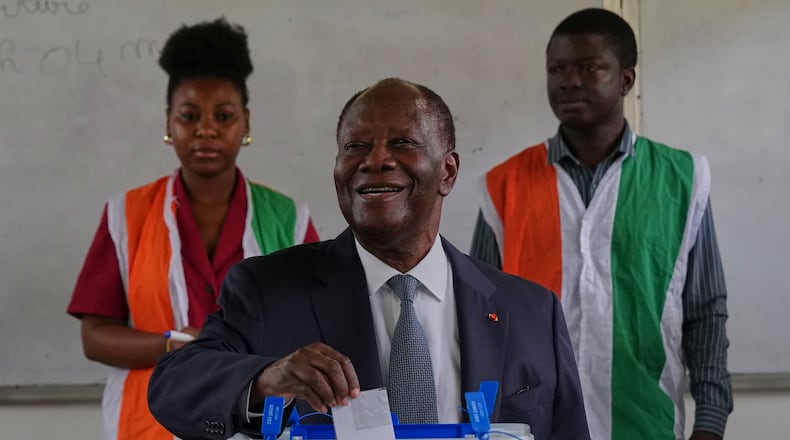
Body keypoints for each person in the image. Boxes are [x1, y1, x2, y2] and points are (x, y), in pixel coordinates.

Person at [147, 77, 590, 440]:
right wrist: (266, 378)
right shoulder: (268, 289)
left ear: (447, 172)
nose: (375, 161)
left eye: (402, 142)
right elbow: (174, 386)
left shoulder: (532, 311)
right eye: (355, 147)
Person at [470, 8, 732, 440]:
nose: (569, 80)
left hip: (645, 423)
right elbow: (479, 318)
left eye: (589, 67)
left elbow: (705, 312)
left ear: (626, 80)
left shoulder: (683, 179)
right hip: (532, 427)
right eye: (557, 69)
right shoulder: (504, 186)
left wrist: (710, 421)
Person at [66, 18, 319, 440]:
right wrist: (177, 344)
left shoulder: (290, 218)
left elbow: (318, 325)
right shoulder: (125, 215)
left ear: (246, 124)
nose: (206, 129)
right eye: (189, 115)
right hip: (147, 426)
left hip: (262, 427)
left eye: (223, 116)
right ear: (169, 122)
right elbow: (95, 338)